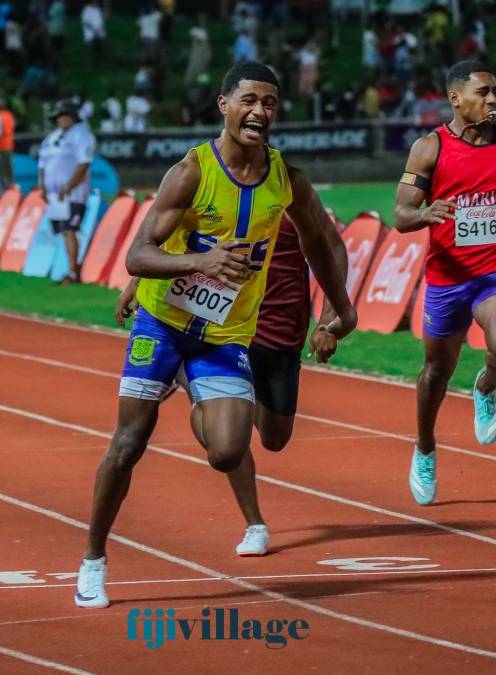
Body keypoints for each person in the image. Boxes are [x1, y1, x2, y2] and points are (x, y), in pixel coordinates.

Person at [74, 61, 356, 608]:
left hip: (226, 333)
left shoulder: (287, 179)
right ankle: (93, 560)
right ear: (224, 105)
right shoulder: (191, 171)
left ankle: (194, 387)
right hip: (164, 323)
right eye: (248, 100)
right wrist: (200, 261)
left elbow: (319, 243)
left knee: (228, 451)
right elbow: (138, 255)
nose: (259, 111)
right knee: (129, 442)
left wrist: (341, 310)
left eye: (269, 102)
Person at [113, 209, 347, 556]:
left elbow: (333, 247)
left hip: (277, 325)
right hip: (222, 323)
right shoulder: (208, 190)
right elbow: (171, 237)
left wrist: (329, 320)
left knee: (275, 437)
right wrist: (136, 284)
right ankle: (255, 522)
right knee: (227, 434)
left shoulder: (289, 195)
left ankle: (211, 396)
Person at [395, 60, 496, 507]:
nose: (492, 100)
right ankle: (424, 447)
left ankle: (487, 385)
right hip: (448, 280)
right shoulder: (429, 148)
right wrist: (425, 214)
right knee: (437, 370)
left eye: (495, 92)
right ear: (456, 98)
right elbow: (400, 216)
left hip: (491, 275)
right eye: (483, 92)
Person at [38, 101, 95, 285]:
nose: (61, 119)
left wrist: (69, 186)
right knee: (63, 231)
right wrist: (42, 186)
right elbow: (42, 164)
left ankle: (73, 273)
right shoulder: (51, 137)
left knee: (70, 229)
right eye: (59, 116)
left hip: (73, 193)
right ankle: (71, 268)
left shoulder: (82, 135)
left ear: (73, 117)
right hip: (54, 194)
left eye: (65, 115)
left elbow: (84, 163)